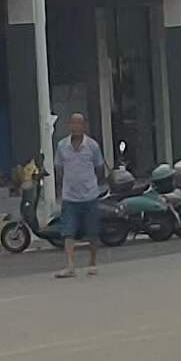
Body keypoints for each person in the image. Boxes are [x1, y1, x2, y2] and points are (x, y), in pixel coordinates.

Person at [47, 112, 115, 278]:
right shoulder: (62, 146)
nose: (76, 127)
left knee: (92, 232)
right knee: (68, 232)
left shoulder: (92, 146)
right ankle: (70, 265)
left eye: (79, 123)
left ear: (84, 126)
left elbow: (99, 168)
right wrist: (62, 188)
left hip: (90, 196)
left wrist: (93, 185)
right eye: (73, 123)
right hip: (70, 197)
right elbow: (59, 168)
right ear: (69, 125)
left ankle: (92, 262)